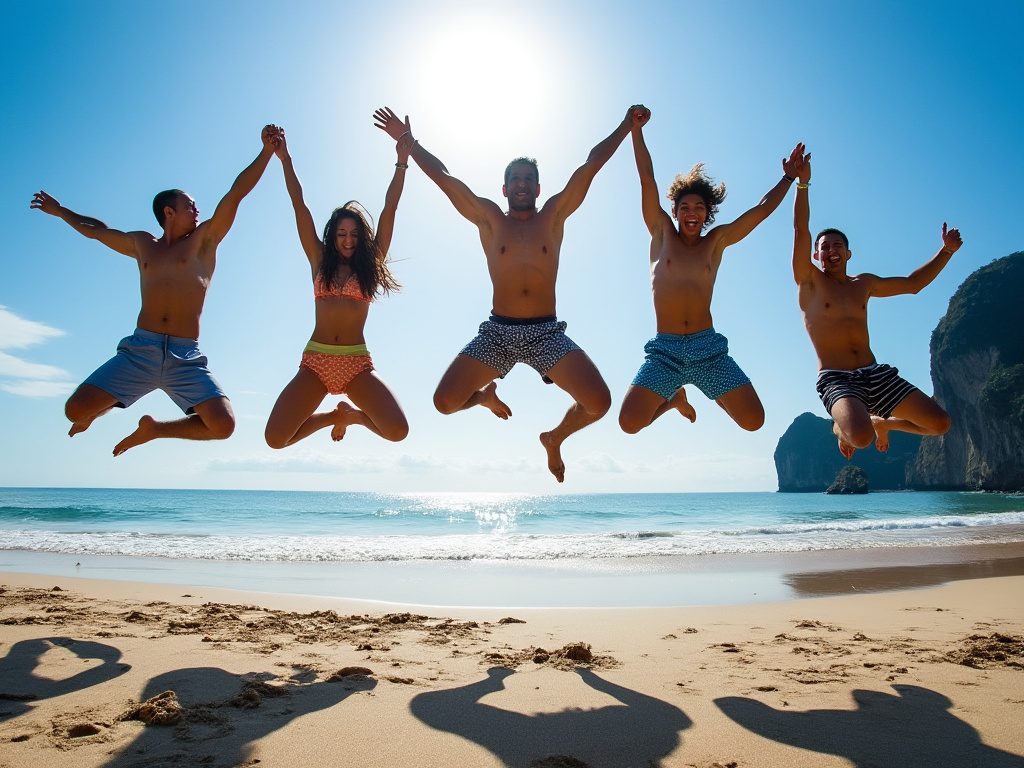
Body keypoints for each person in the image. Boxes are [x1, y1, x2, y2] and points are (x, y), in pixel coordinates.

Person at [374, 105, 640, 482]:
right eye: (515, 178)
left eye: (529, 179)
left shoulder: (553, 215)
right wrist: (409, 143)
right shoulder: (489, 219)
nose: (522, 184)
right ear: (504, 188)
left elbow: (590, 166)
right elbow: (446, 178)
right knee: (444, 402)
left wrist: (626, 125)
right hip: (498, 332)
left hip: (546, 332)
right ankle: (484, 396)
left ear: (538, 187)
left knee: (599, 403)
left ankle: (554, 438)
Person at [30, 126, 281, 456]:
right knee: (75, 410)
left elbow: (235, 194)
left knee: (223, 426)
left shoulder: (204, 242)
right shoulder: (142, 243)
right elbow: (97, 231)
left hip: (185, 355)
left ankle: (154, 429)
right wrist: (61, 211)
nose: (198, 209)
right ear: (169, 212)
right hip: (140, 351)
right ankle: (100, 410)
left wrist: (266, 152)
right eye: (190, 205)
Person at [619, 106, 804, 435]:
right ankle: (674, 399)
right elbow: (646, 179)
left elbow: (760, 211)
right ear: (675, 212)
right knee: (629, 423)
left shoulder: (716, 242)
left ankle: (707, 387)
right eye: (685, 207)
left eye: (699, 208)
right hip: (666, 350)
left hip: (708, 351)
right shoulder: (662, 234)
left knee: (754, 421)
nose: (692, 213)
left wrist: (789, 177)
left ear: (707, 214)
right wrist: (636, 131)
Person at [790, 150, 958, 458]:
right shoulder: (810, 282)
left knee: (940, 423)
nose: (831, 251)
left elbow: (913, 285)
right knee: (862, 437)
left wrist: (945, 252)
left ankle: (886, 423)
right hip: (836, 379)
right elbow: (801, 229)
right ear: (816, 256)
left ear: (849, 254)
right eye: (824, 247)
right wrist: (802, 185)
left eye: (838, 245)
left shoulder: (863, 284)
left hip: (875, 373)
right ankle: (838, 428)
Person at [263, 121, 412, 448]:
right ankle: (334, 416)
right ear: (332, 235)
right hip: (316, 361)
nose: (348, 240)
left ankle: (354, 416)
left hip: (356, 364)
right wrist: (284, 159)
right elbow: (298, 204)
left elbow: (390, 208)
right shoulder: (318, 258)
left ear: (362, 238)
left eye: (355, 235)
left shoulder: (371, 266)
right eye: (342, 234)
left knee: (397, 430)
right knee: (275, 438)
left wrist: (401, 161)